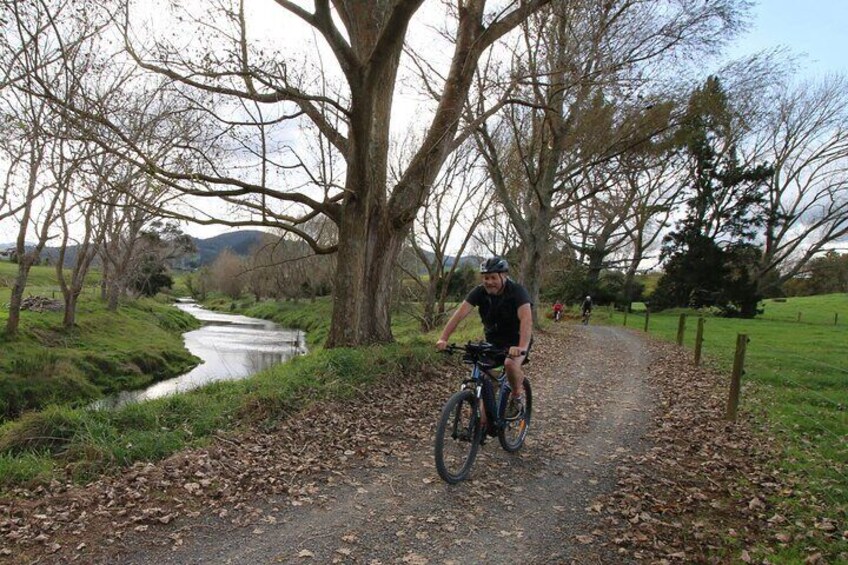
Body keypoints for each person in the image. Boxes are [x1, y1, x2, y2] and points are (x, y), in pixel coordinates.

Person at [436, 256, 532, 422]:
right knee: (486, 381)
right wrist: (443, 338)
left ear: (504, 276)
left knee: (510, 363)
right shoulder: (479, 292)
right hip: (493, 342)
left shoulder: (517, 291)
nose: (489, 282)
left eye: (493, 277)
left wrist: (521, 346)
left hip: (517, 341)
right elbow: (459, 315)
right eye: (486, 278)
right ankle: (482, 426)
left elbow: (526, 320)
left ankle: (516, 397)